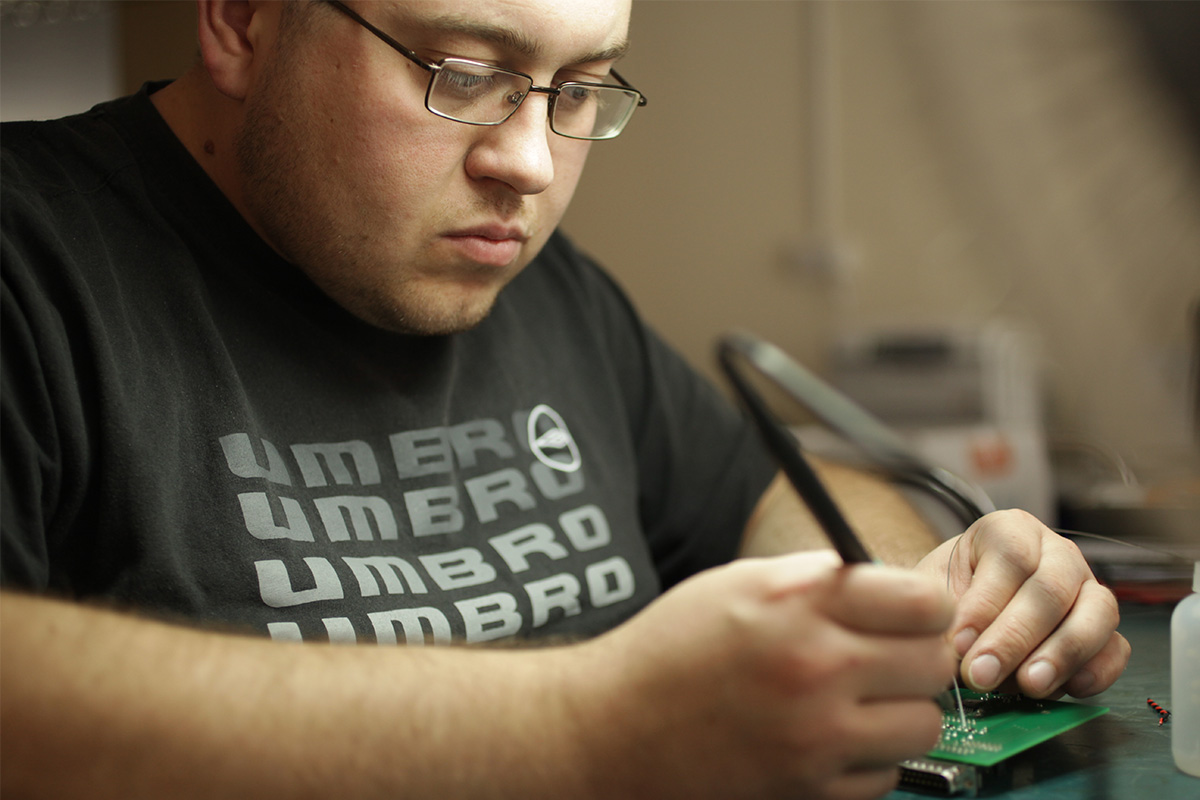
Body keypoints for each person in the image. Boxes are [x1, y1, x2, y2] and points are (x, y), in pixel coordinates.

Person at [0, 1, 1129, 798]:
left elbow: (776, 494)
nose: (531, 163)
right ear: (243, 19)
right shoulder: (34, 258)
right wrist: (587, 729)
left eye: (581, 87)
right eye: (464, 71)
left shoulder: (544, 289)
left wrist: (914, 593)